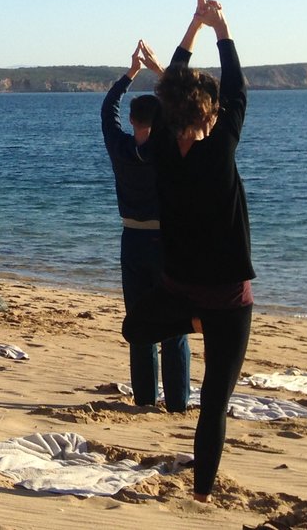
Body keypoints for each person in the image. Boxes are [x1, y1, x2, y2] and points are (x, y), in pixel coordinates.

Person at [123, 0, 251, 502]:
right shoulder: (218, 149)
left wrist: (197, 29)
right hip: (226, 301)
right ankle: (202, 494)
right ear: (210, 115)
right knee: (214, 404)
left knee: (137, 327)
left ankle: (190, 322)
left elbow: (175, 86)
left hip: (179, 294)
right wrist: (221, 28)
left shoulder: (158, 151)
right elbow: (237, 89)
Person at [101, 40, 191, 412]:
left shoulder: (119, 148)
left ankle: (144, 398)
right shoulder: (167, 150)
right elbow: (184, 107)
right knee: (174, 327)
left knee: (140, 322)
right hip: (166, 240)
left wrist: (130, 74)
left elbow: (108, 109)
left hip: (132, 238)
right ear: (159, 123)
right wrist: (157, 70)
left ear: (134, 121)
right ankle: (178, 402)